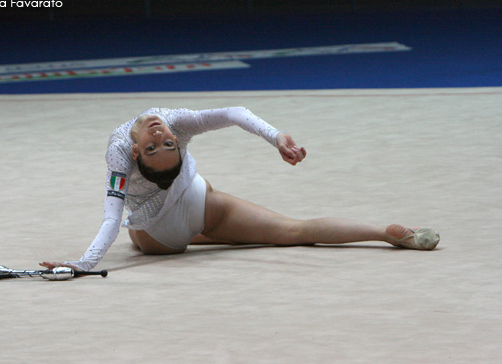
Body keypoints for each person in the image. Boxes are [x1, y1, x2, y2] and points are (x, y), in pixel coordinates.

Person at [41, 107, 439, 272]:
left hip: (163, 236)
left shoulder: (129, 147)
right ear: (134, 152)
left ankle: (383, 233)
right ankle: (377, 233)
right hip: (200, 202)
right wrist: (275, 136)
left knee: (134, 238)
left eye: (162, 143)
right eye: (155, 145)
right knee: (294, 230)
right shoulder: (175, 122)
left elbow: (113, 215)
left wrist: (84, 263)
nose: (160, 135)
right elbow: (235, 113)